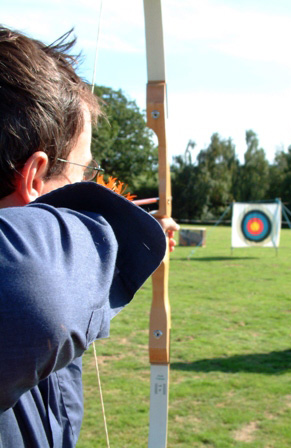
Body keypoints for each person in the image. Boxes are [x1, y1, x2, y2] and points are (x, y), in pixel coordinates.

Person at [0, 26, 178, 447]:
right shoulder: (23, 286)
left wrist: (135, 227)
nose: (88, 194)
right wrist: (125, 236)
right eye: (82, 176)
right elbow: (35, 289)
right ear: (35, 174)